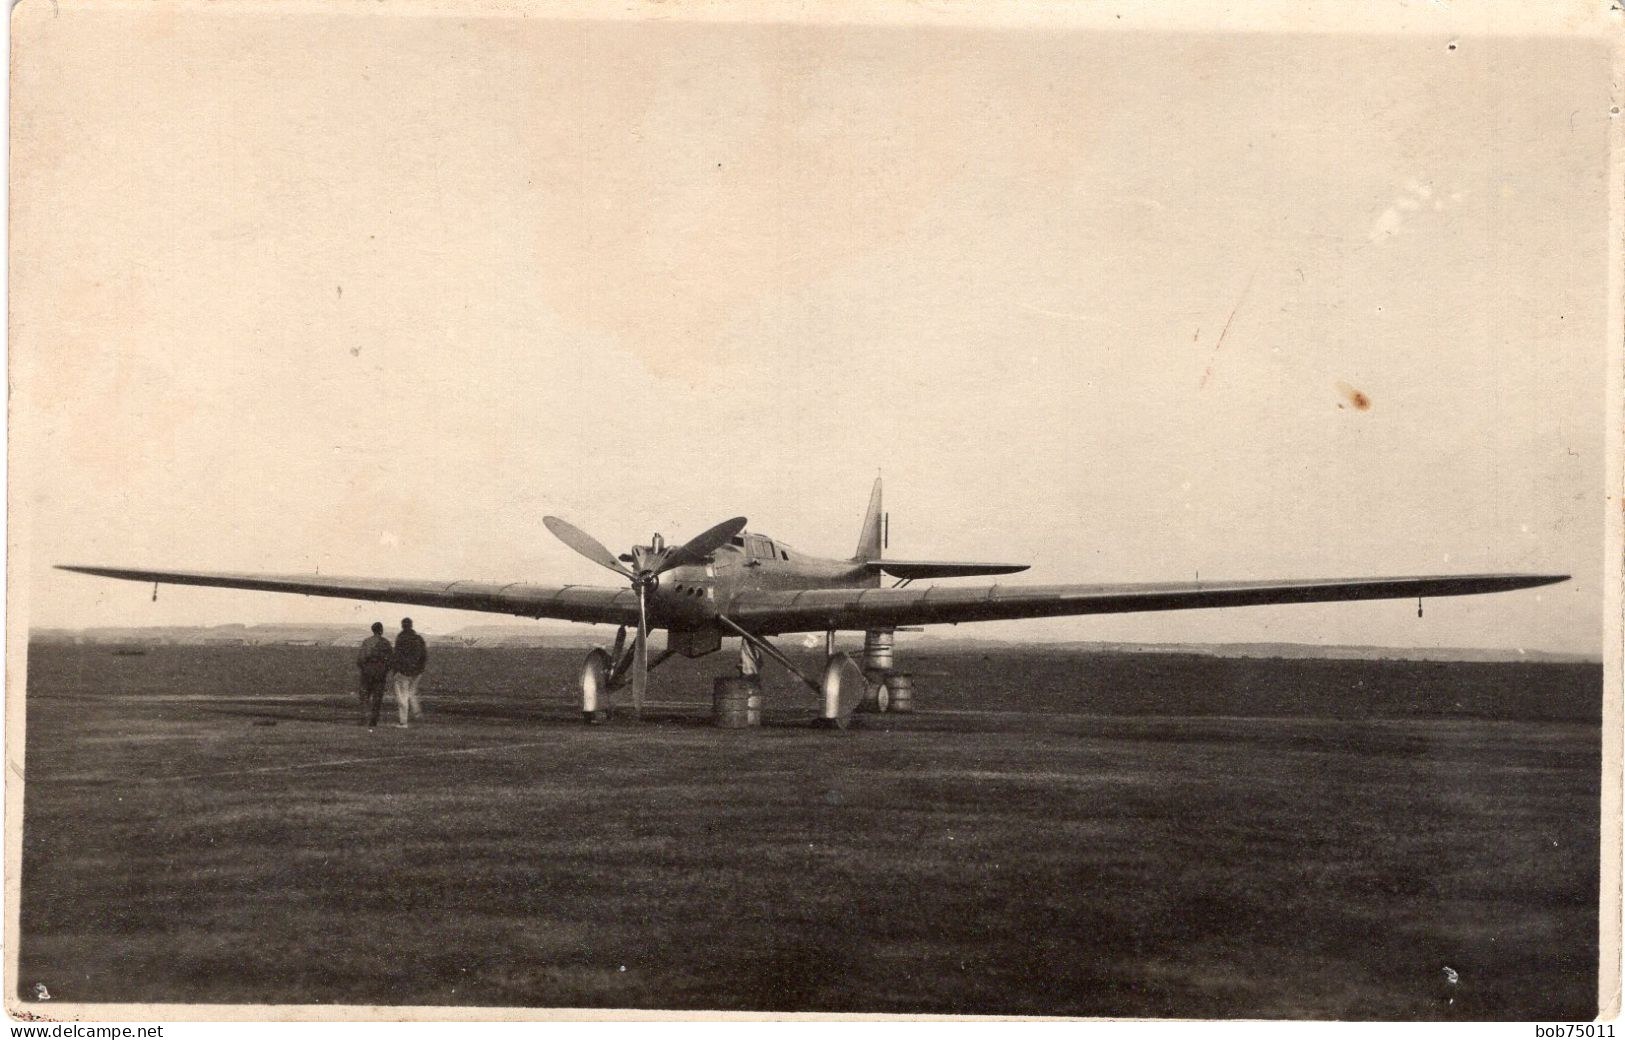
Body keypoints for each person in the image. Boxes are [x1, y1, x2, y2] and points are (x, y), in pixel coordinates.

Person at [390, 617, 428, 728]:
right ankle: (416, 712)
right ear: (411, 625)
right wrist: (420, 669)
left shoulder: (400, 638)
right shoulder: (418, 638)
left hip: (403, 672)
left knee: (403, 696)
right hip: (417, 672)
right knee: (411, 693)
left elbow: (396, 655)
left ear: (402, 626)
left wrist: (395, 670)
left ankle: (403, 722)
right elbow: (424, 655)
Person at [356, 622, 392, 729]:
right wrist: (385, 671)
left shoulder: (367, 642)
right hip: (380, 674)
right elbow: (390, 660)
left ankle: (364, 718)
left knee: (364, 696)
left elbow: (361, 659)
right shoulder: (386, 643)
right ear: (381, 630)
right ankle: (373, 721)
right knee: (377, 698)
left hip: (367, 672)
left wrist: (364, 669)